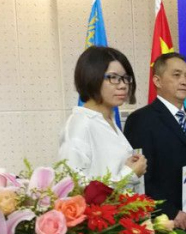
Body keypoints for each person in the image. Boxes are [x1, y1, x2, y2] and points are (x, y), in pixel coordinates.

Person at [124, 52, 186, 234]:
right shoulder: (141, 120)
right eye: (176, 75)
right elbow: (141, 178)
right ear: (157, 80)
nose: (184, 81)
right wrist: (169, 212)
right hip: (166, 223)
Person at [59, 46, 147, 188]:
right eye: (113, 78)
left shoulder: (107, 120)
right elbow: (74, 187)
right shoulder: (80, 124)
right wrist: (129, 175)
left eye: (126, 78)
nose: (123, 85)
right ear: (91, 77)